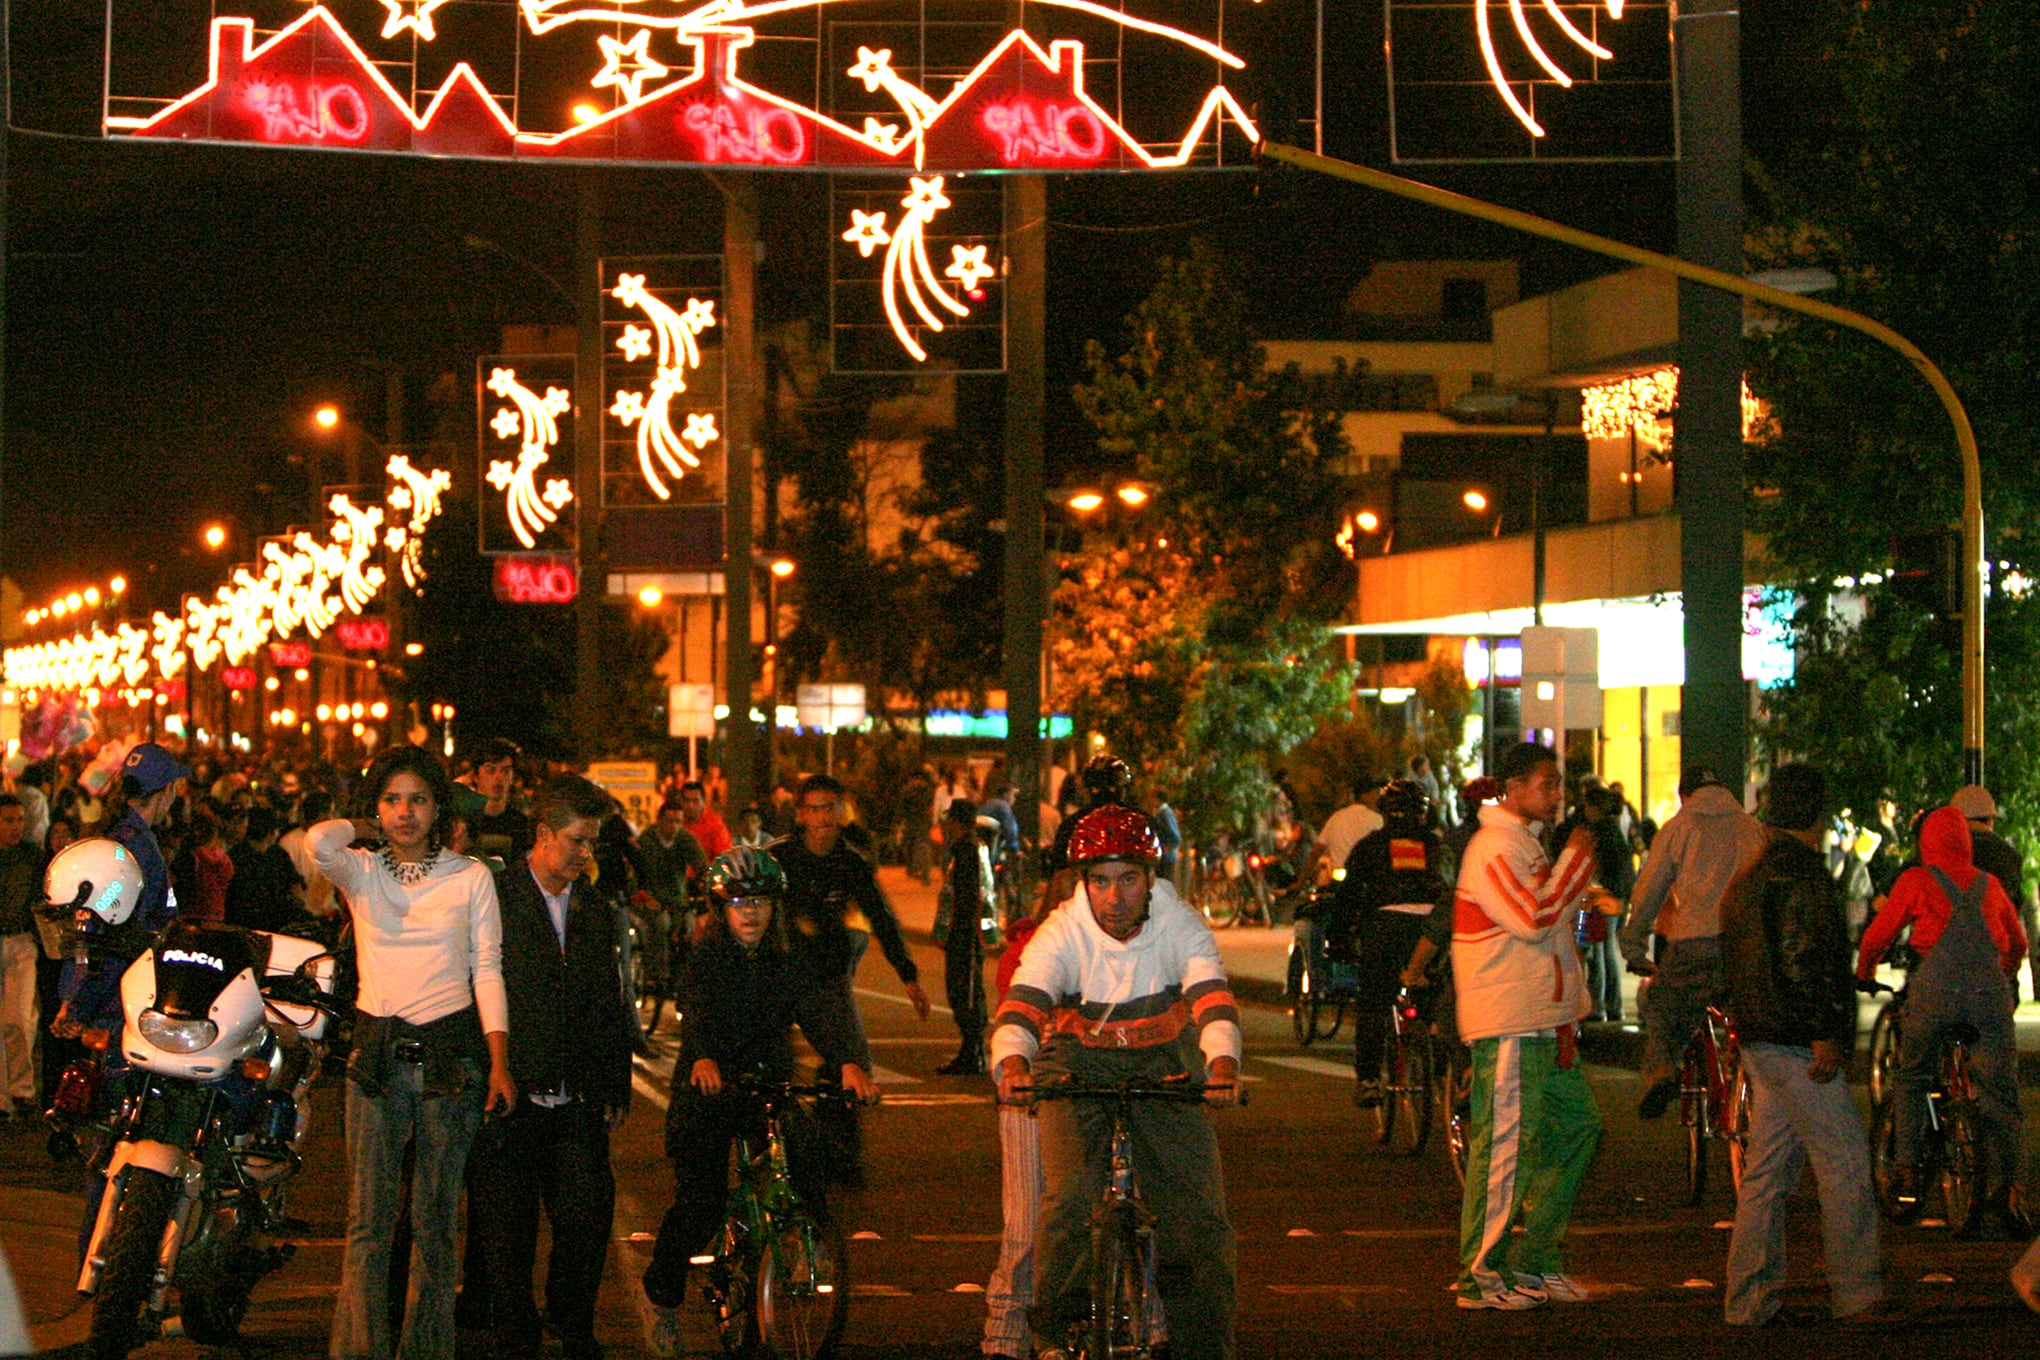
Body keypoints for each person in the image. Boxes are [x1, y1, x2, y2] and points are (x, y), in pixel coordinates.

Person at [992, 805, 1241, 1359]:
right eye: (1100, 881)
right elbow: (1024, 1003)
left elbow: (1211, 997)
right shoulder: (1062, 931)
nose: (1114, 897)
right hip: (1077, 1066)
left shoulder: (1179, 922)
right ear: (1083, 883)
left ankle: (1205, 1348)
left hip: (1163, 1063)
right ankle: (1055, 1338)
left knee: (1197, 1218)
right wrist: (1013, 1063)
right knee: (1072, 1200)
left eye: (1128, 878)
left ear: (1150, 877)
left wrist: (1222, 1063)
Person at [314, 745, 515, 1360]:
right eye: (392, 800)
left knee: (435, 1223)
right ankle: (358, 1350)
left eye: (418, 800)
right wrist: (368, 828)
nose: (405, 813)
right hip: (374, 1058)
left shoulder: (472, 875)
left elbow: (487, 969)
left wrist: (499, 1061)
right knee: (368, 1224)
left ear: (439, 807)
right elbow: (318, 842)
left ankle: (426, 1349)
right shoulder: (362, 871)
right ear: (377, 808)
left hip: (453, 1060)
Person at [640, 847, 877, 1358]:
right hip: (708, 1086)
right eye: (739, 902)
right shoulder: (707, 958)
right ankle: (662, 1297)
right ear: (719, 909)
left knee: (807, 1149)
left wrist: (848, 1061)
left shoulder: (787, 959)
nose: (751, 912)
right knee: (700, 1201)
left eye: (762, 902)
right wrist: (703, 1059)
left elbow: (817, 1010)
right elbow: (697, 1012)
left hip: (766, 1081)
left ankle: (797, 1241)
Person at [465, 776, 635, 1360]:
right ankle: (516, 1330)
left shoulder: (593, 907)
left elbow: (608, 998)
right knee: (508, 1231)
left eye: (592, 842)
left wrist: (615, 1078)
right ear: (543, 835)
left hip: (577, 1096)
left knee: (586, 1220)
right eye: (578, 840)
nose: (587, 853)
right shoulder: (495, 896)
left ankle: (573, 1321)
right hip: (512, 1093)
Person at [1720, 763, 1889, 1326]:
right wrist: (1825, 1031)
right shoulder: (1803, 879)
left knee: (1766, 1173)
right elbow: (1803, 959)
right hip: (1798, 1042)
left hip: (1762, 1039)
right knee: (1843, 1165)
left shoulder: (1750, 879)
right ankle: (1857, 1293)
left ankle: (1748, 1300)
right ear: (1814, 817)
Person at [1451, 741, 1599, 1310]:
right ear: (1512, 788)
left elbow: (1545, 917)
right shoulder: (1494, 847)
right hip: (1509, 1020)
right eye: (1547, 783)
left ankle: (1535, 1264)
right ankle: (1481, 1278)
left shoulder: (1526, 845)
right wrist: (1577, 862)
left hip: (1542, 1017)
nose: (1557, 795)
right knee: (1505, 1149)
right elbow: (1533, 918)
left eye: (1559, 783)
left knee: (1577, 1128)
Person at [1857, 803, 2029, 1237]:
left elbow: (1880, 933)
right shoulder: (1989, 885)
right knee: (2001, 1095)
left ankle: (1908, 1169)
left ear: (1927, 841)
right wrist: (2002, 973)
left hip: (1934, 993)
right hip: (1988, 996)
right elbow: (2018, 941)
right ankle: (2012, 1189)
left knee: (1912, 1077)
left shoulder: (1917, 880)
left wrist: (1866, 970)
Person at [775, 774, 927, 1181]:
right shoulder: (778, 859)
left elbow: (883, 918)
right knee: (765, 1062)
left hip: (828, 974)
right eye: (814, 809)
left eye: (830, 808)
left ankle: (840, 1151)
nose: (822, 817)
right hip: (780, 973)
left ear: (841, 813)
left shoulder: (851, 862)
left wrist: (908, 976)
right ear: (801, 815)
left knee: (852, 1061)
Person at [1621, 765, 1767, 1118]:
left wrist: (1634, 946)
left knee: (1662, 1002)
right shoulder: (1752, 828)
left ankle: (1661, 1072)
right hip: (1748, 944)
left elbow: (1649, 892)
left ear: (1684, 796)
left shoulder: (1679, 828)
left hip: (1695, 942)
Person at [1335, 780, 1451, 1104]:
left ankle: (1369, 1079)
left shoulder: (1371, 845)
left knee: (1374, 1002)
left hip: (1386, 927)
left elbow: (1348, 895)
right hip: (1433, 928)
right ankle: (1443, 1070)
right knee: (1438, 1000)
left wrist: (1339, 937)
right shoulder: (1435, 845)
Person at [1948, 784, 2038, 1001]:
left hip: (1945, 959)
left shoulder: (1939, 854)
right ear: (1990, 819)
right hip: (1992, 959)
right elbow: (2013, 916)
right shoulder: (2009, 857)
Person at [633, 797, 708, 1037]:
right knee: (659, 925)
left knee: (690, 930)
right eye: (669, 821)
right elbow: (635, 875)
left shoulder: (686, 839)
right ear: (659, 821)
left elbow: (702, 867)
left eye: (678, 821)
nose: (673, 826)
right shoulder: (646, 841)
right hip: (650, 901)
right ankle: (658, 974)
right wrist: (644, 896)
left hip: (677, 900)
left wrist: (705, 891)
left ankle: (684, 983)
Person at [936, 800, 993, 1075]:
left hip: (965, 934)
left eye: (950, 820)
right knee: (965, 990)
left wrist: (961, 932)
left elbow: (967, 897)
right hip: (966, 933)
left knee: (964, 991)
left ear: (957, 822)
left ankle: (972, 1052)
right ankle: (972, 1050)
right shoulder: (973, 847)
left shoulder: (967, 850)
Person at [0, 797, 42, 1121]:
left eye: (19, 820)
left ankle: (21, 1087)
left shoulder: (31, 857)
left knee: (18, 1018)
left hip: (20, 942)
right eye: (8, 820)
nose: (15, 827)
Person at [1578, 786, 1633, 1023]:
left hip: (1601, 895)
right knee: (1607, 948)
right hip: (1616, 895)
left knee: (1597, 950)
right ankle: (1613, 1005)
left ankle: (1598, 1005)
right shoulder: (1614, 829)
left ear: (1593, 807)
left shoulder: (1600, 832)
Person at [224, 804, 304, 933]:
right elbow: (295, 884)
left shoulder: (235, 856)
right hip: (273, 925)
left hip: (244, 926)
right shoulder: (278, 855)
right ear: (270, 832)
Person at [1308, 775, 1384, 886]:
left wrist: (1300, 882)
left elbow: (1316, 851)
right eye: (1376, 792)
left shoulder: (1336, 817)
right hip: (1366, 881)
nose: (1378, 797)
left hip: (1338, 880)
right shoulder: (1377, 820)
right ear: (1366, 795)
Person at [469, 739, 533, 862]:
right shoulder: (463, 823)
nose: (498, 778)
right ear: (476, 776)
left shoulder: (521, 825)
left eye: (506, 771)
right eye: (491, 770)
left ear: (513, 777)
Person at [678, 779, 732, 861]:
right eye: (686, 800)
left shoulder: (714, 823)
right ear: (680, 801)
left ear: (703, 802)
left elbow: (723, 857)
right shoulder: (674, 821)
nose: (690, 806)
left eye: (695, 801)